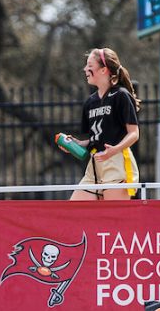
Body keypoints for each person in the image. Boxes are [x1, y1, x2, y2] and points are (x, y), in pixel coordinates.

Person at [59, 48, 142, 201]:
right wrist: (77, 144)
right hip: (95, 165)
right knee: (73, 214)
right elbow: (95, 139)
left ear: (103, 70)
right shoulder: (90, 102)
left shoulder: (121, 95)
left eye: (89, 65)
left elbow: (134, 133)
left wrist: (114, 150)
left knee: (115, 221)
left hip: (116, 164)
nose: (85, 69)